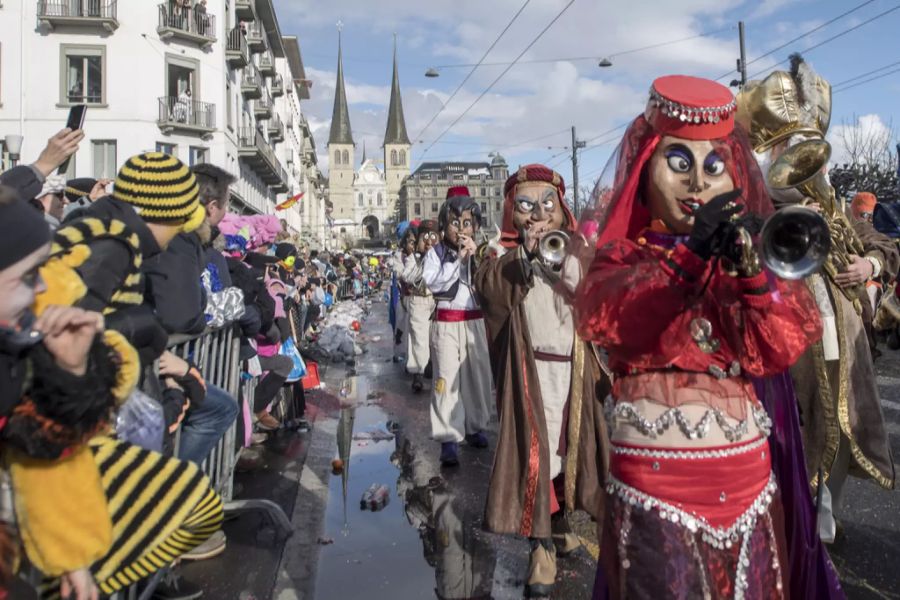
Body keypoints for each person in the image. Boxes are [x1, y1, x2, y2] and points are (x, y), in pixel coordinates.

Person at [575, 74, 825, 598]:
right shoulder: (625, 258)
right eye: (679, 163)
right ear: (645, 173)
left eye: (714, 167)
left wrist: (753, 278)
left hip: (748, 483)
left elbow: (780, 349)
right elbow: (613, 319)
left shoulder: (745, 259)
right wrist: (689, 258)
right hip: (657, 486)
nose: (697, 184)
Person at [0, 186, 222, 600]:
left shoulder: (16, 349)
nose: (40, 290)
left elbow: (42, 450)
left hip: (40, 533)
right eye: (28, 277)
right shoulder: (112, 250)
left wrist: (70, 371)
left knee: (193, 498)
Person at [737, 56, 898, 546]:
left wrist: (870, 263)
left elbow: (885, 244)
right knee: (797, 435)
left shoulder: (835, 207)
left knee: (843, 439)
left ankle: (829, 510)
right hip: (791, 351)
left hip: (843, 346)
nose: (811, 164)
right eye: (794, 151)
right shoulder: (754, 211)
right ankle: (798, 518)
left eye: (814, 154)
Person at [474, 165, 610, 597]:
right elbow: (489, 292)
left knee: (570, 453)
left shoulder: (577, 246)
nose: (537, 213)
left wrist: (574, 257)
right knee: (536, 457)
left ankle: (561, 523)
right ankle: (541, 547)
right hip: (528, 370)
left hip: (573, 368)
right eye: (527, 204)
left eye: (546, 204)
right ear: (513, 209)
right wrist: (524, 258)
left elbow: (596, 298)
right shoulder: (498, 251)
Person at [422, 187, 493, 468]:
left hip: (475, 321)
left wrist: (478, 259)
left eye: (467, 223)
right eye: (455, 223)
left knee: (478, 377)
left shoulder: (484, 250)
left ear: (475, 225)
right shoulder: (436, 253)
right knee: (445, 379)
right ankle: (448, 438)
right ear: (444, 225)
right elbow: (435, 284)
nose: (461, 229)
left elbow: (492, 285)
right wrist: (458, 260)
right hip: (447, 322)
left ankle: (475, 426)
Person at [401, 220, 439, 392]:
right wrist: (423, 262)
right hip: (418, 300)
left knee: (434, 337)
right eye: (425, 238)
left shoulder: (440, 258)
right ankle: (418, 372)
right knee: (419, 338)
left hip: (435, 300)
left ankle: (430, 364)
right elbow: (407, 276)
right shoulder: (413, 259)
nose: (429, 242)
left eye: (432, 237)